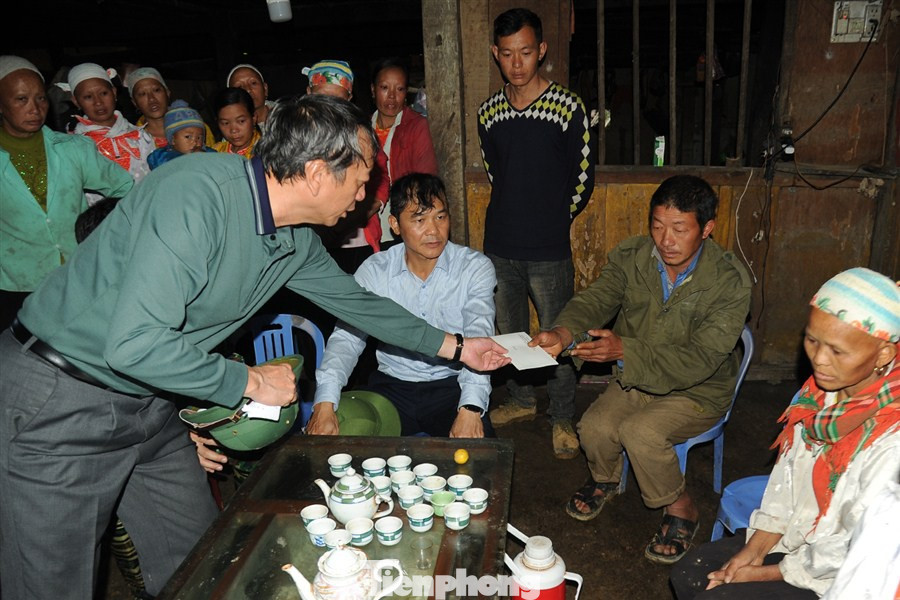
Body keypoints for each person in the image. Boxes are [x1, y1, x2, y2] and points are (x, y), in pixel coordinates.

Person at [0, 94, 509, 599]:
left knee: (203, 564)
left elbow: (361, 306)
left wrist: (458, 347)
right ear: (317, 173)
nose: (364, 196)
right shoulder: (196, 194)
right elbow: (135, 344)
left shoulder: (295, 239)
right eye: (359, 181)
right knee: (51, 586)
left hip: (146, 399)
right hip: (60, 399)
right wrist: (248, 381)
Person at [530, 175, 751, 564]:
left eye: (680, 229)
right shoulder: (634, 257)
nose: (666, 240)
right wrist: (564, 332)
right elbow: (598, 298)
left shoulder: (729, 282)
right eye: (658, 226)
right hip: (639, 377)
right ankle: (606, 479)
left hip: (698, 389)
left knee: (640, 432)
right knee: (594, 428)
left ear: (707, 229)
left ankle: (682, 506)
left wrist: (624, 351)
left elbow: (700, 359)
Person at [670, 267, 899, 599]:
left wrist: (764, 573)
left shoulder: (891, 438)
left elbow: (853, 545)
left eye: (837, 351)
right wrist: (756, 548)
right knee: (688, 574)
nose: (819, 360)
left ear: (883, 354)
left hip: (844, 574)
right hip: (801, 537)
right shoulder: (818, 396)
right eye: (812, 340)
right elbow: (789, 480)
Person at [477, 8, 596, 458]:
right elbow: (496, 172)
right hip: (499, 245)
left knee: (557, 335)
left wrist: (552, 219)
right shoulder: (488, 112)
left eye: (526, 52)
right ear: (496, 53)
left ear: (541, 50)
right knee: (508, 333)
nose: (517, 63)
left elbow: (582, 179)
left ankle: (561, 416)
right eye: (508, 53)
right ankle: (522, 400)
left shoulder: (568, 107)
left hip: (549, 247)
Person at [306, 173, 496, 438]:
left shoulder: (474, 268)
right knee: (340, 442)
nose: (433, 230)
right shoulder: (376, 270)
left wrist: (471, 408)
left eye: (440, 217)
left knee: (480, 454)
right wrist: (324, 403)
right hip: (391, 388)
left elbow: (479, 335)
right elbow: (347, 339)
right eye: (419, 220)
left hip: (452, 386)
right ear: (395, 224)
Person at [0, 55, 133, 329]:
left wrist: (101, 234)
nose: (35, 109)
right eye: (21, 99)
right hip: (14, 285)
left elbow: (125, 187)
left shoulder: (72, 149)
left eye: (41, 98)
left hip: (77, 277)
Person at [369, 57, 438, 249]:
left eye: (399, 89)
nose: (392, 96)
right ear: (373, 90)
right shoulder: (361, 129)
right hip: (368, 226)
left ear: (406, 93)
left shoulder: (416, 126)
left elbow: (425, 180)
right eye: (384, 88)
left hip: (403, 223)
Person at [60, 62, 154, 183]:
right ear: (76, 101)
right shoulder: (73, 147)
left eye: (104, 93)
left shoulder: (141, 137)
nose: (98, 102)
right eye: (88, 97)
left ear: (114, 93)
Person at [124, 66, 216, 149]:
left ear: (167, 93)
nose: (151, 99)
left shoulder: (195, 126)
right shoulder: (132, 141)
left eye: (156, 90)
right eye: (142, 94)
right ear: (134, 102)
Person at [147, 100, 215, 169]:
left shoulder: (208, 152)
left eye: (199, 138)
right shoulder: (163, 156)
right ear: (173, 140)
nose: (195, 142)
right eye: (188, 137)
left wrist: (206, 157)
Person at [212, 87, 261, 158]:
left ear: (254, 118)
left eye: (241, 121)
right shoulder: (215, 152)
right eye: (225, 123)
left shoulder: (266, 153)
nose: (234, 130)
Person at [226, 63, 275, 131]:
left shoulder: (285, 116)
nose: (248, 90)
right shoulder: (232, 131)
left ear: (265, 89)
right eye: (239, 87)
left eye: (253, 83)